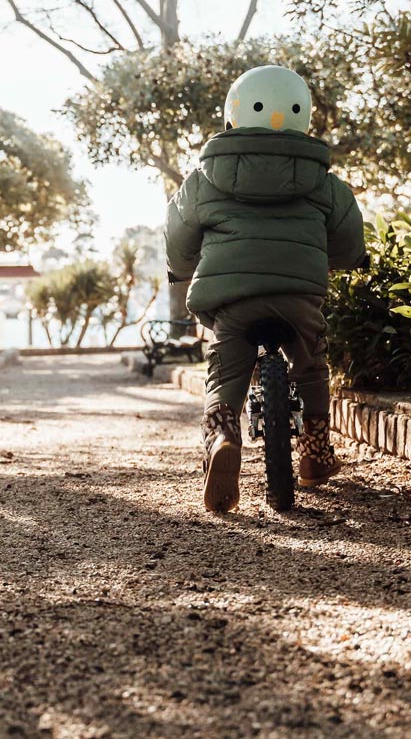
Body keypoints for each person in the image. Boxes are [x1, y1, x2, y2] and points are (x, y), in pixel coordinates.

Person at [165, 65, 366, 512]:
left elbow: (178, 235)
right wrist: (346, 262)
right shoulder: (325, 183)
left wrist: (180, 269)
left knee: (226, 369)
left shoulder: (202, 179)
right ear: (303, 115)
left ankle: (221, 435)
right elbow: (349, 235)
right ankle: (314, 455)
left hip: (232, 300)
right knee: (310, 363)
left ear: (233, 113)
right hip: (298, 295)